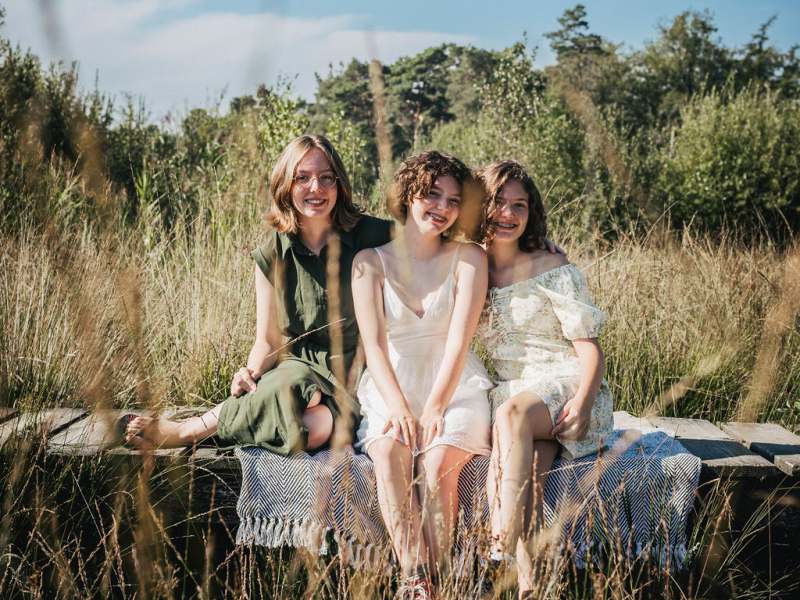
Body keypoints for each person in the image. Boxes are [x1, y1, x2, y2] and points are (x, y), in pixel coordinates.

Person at [124, 134, 392, 453]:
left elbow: (428, 244)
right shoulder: (272, 253)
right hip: (297, 369)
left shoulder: (375, 235)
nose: (316, 188)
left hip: (356, 371)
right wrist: (251, 374)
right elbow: (267, 339)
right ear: (285, 186)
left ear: (340, 184)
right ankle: (188, 431)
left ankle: (197, 430)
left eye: (326, 178)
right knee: (302, 397)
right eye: (302, 178)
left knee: (317, 429)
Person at [351, 151, 492, 599]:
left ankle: (437, 579)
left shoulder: (470, 258)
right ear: (409, 194)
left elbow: (459, 341)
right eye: (433, 194)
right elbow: (374, 346)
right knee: (390, 450)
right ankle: (415, 579)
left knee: (435, 463)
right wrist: (398, 407)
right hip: (390, 385)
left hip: (455, 387)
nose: (443, 207)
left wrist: (433, 407)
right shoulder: (369, 262)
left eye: (453, 200)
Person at [475, 160, 613, 598]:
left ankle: (496, 546)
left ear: (531, 213)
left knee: (512, 416)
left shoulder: (553, 267)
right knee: (531, 471)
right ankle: (534, 588)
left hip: (566, 383)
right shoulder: (468, 266)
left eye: (520, 205)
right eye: (498, 202)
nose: (509, 214)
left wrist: (586, 402)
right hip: (514, 389)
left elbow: (589, 349)